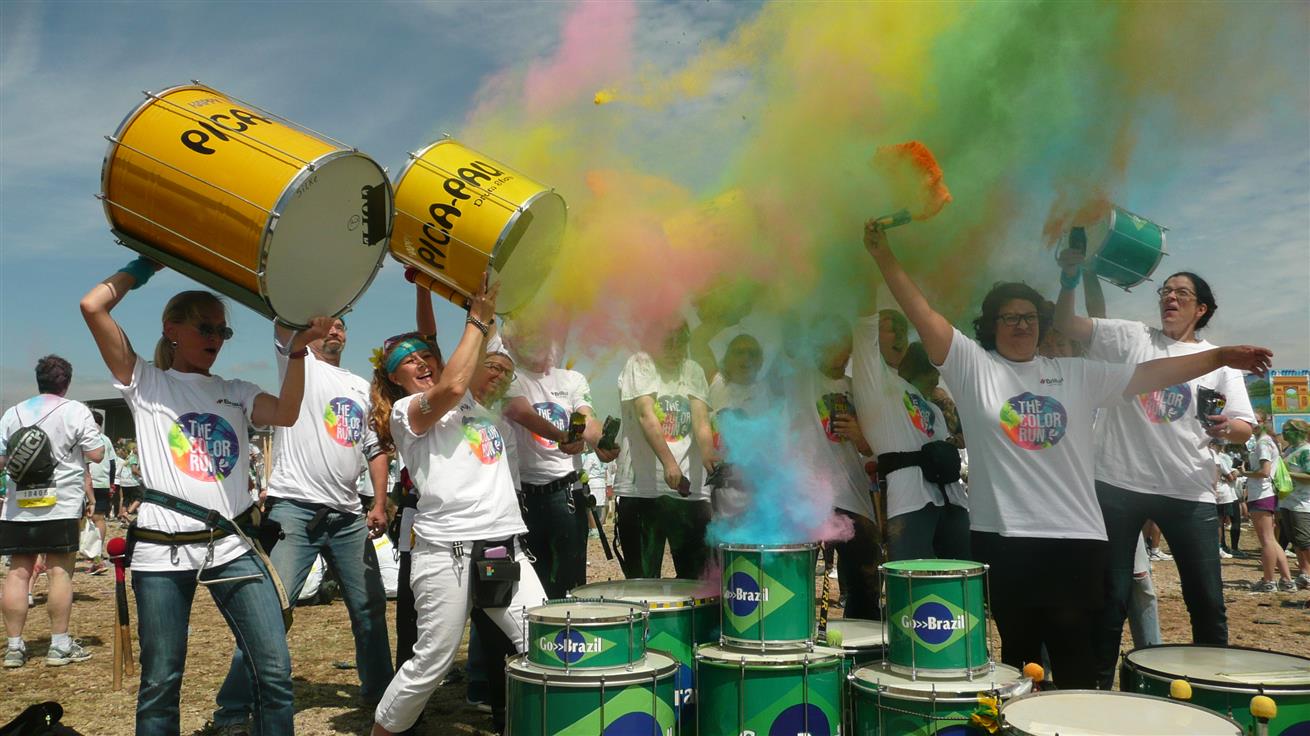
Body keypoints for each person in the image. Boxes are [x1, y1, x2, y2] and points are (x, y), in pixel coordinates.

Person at [863, 221, 1271, 688]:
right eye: (1009, 318)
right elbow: (924, 315)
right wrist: (884, 258)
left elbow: (1151, 373)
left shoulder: (1075, 374)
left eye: (1030, 317)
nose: (1021, 325)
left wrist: (1217, 358)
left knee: (1077, 663)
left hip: (1078, 539)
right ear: (990, 326)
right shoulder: (973, 367)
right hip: (1005, 537)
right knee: (1019, 661)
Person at [80, 257, 329, 735]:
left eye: (223, 331)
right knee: (161, 681)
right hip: (160, 551)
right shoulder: (148, 383)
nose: (215, 337)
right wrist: (144, 265)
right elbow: (93, 306)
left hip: (231, 546)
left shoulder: (235, 391)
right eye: (205, 327)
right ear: (171, 329)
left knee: (275, 673)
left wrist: (298, 354)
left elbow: (289, 413)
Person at [1055, 260, 1258, 686]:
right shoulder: (1131, 337)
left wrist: (1228, 428)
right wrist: (1070, 276)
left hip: (1189, 489)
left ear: (1201, 308)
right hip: (1116, 484)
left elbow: (1244, 426)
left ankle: (1212, 686)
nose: (1170, 297)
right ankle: (1096, 689)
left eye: (1182, 293)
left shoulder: (1220, 362)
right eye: (1165, 290)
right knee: (1107, 598)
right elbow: (1065, 323)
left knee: (1206, 600)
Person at [368, 276, 547, 736]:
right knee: (432, 661)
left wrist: (438, 292)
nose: (421, 362)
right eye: (407, 362)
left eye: (427, 356)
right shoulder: (410, 413)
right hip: (446, 552)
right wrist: (476, 318)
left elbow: (453, 358)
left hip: (502, 545)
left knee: (542, 643)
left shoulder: (471, 397)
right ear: (394, 378)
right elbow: (446, 388)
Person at [212, 317, 394, 730]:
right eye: (327, 326)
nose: (335, 332)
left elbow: (375, 448)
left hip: (348, 515)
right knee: (270, 609)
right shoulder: (298, 364)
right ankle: (234, 708)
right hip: (295, 509)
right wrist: (304, 318)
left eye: (342, 327)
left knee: (370, 608)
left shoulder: (359, 385)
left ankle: (381, 695)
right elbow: (282, 330)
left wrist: (379, 502)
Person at [0, 355, 104, 668]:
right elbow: (96, 454)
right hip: (60, 503)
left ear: (38, 380)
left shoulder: (13, 412)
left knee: (18, 572)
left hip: (19, 506)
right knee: (60, 572)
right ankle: (59, 644)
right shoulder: (75, 410)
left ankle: (14, 648)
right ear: (67, 382)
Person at [778, 317, 882, 618]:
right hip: (807, 496)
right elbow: (790, 338)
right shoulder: (801, 378)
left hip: (855, 498)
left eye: (844, 344)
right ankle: (795, 636)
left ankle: (861, 644)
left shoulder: (858, 389)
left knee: (864, 582)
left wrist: (859, 435)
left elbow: (872, 449)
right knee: (796, 577)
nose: (840, 350)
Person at [503, 332, 617, 598]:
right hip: (521, 497)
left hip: (566, 495)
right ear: (512, 341)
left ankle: (567, 638)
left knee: (570, 584)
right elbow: (521, 412)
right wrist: (562, 436)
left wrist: (601, 440)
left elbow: (586, 417)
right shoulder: (509, 376)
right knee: (530, 586)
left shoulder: (572, 379)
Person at [852, 313, 970, 562]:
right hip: (909, 502)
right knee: (914, 586)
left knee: (961, 583)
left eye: (902, 328)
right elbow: (864, 327)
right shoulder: (875, 382)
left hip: (953, 501)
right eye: (889, 328)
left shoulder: (928, 401)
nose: (898, 333)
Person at [613, 322, 716, 579]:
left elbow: (701, 421)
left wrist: (709, 459)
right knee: (644, 581)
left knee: (696, 581)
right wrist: (670, 464)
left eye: (680, 341)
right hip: (644, 491)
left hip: (690, 494)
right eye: (666, 340)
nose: (673, 348)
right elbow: (645, 413)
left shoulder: (693, 370)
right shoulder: (641, 363)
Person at [706, 333, 767, 520]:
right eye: (739, 352)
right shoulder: (715, 385)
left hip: (757, 489)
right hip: (720, 489)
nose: (745, 358)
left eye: (752, 353)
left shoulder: (766, 392)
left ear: (759, 361)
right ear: (727, 359)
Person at [1245, 423, 1294, 591]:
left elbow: (1264, 471)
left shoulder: (1262, 443)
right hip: (1265, 494)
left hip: (1261, 493)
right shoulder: (1268, 442)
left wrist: (1243, 473)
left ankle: (1269, 581)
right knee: (1271, 539)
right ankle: (1286, 581)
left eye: (1255, 421)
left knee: (1266, 540)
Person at [85, 411, 119, 575]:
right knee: (99, 519)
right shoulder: (106, 439)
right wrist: (111, 483)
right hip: (103, 482)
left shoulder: (86, 437)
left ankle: (91, 553)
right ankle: (97, 552)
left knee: (82, 519)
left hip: (87, 483)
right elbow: (113, 463)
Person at [1278, 420, 1310, 589]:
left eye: (1286, 430)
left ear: (1298, 431)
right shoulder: (1289, 450)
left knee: (1304, 540)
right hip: (1287, 501)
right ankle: (1305, 573)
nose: (1283, 433)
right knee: (1295, 540)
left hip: (1302, 503)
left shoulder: (1306, 451)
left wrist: (1287, 474)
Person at [1214, 446, 1240, 558]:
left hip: (1211, 493)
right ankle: (1219, 548)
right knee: (1219, 523)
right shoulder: (1218, 458)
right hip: (1222, 494)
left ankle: (1218, 546)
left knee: (1215, 522)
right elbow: (1231, 477)